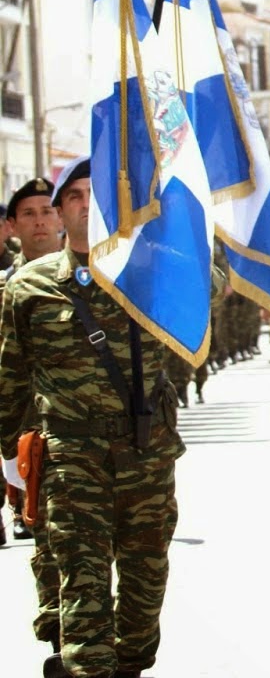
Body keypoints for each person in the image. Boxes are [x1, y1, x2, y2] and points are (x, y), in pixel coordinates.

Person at [0, 158, 184, 678]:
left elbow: (207, 288)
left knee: (145, 582)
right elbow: (11, 377)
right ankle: (89, 666)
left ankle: (129, 662)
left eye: (94, 194)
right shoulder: (30, 288)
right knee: (81, 581)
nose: (85, 204)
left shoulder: (152, 270)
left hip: (146, 454)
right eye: (74, 196)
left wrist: (170, 228)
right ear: (59, 213)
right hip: (71, 460)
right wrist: (6, 456)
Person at [1, 177, 64, 647]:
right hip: (30, 440)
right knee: (46, 538)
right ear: (13, 226)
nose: (40, 220)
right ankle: (60, 624)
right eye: (29, 214)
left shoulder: (96, 276)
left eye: (47, 210)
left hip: (89, 434)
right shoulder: (6, 288)